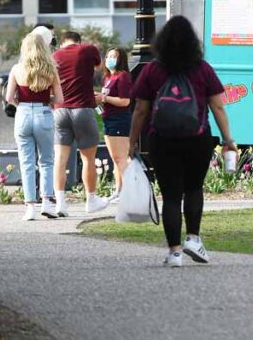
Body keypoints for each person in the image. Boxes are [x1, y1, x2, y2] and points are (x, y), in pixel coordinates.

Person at [129, 16, 237, 267]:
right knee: (193, 189)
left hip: (162, 140)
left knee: (170, 196)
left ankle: (175, 252)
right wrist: (228, 139)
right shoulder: (202, 69)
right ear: (193, 42)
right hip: (197, 139)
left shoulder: (152, 70)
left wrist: (132, 140)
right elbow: (218, 107)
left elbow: (140, 111)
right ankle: (193, 238)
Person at [5, 32, 64, 221]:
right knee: (46, 160)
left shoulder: (17, 68)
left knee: (26, 162)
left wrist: (21, 104)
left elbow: (9, 98)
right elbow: (60, 99)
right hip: (44, 113)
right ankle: (46, 202)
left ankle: (30, 207)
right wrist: (46, 99)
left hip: (22, 114)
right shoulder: (51, 69)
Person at [52, 31, 108, 216]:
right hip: (83, 109)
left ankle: (60, 203)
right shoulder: (87, 50)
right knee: (87, 158)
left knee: (60, 159)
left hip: (59, 111)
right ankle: (91, 200)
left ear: (62, 43)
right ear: (79, 41)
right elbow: (99, 66)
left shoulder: (55, 56)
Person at [97, 47, 132, 201]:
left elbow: (125, 101)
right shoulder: (107, 78)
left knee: (121, 158)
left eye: (114, 56)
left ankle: (129, 192)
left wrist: (105, 99)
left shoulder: (123, 77)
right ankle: (118, 191)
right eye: (108, 56)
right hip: (108, 120)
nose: (110, 59)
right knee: (115, 159)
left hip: (119, 120)